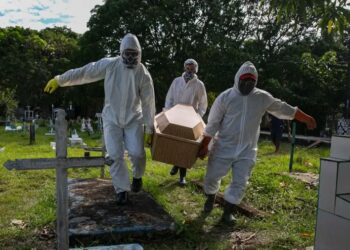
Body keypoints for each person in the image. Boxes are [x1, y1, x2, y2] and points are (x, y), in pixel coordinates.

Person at [198, 61, 316, 225]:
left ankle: (228, 212)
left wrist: (307, 118)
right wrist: (204, 145)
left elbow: (284, 109)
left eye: (251, 81)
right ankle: (210, 198)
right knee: (211, 177)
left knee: (240, 182)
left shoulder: (262, 97)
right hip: (223, 146)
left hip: (247, 150)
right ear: (237, 78)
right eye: (244, 80)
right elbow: (212, 124)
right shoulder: (225, 97)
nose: (247, 84)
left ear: (256, 81)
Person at [44, 33, 155, 205]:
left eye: (135, 54)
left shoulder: (143, 73)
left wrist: (149, 128)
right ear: (121, 52)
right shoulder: (110, 65)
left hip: (134, 119)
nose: (131, 58)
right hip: (111, 118)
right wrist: (60, 79)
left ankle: (137, 176)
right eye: (128, 54)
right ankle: (121, 190)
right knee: (115, 155)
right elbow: (85, 72)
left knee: (138, 154)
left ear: (140, 54)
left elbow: (148, 102)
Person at [165, 58, 208, 185]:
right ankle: (176, 164)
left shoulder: (199, 84)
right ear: (184, 68)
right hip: (175, 116)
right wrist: (168, 112)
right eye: (188, 67)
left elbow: (203, 104)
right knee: (175, 144)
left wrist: (197, 116)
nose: (190, 70)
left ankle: (182, 176)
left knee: (186, 147)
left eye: (192, 68)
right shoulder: (176, 81)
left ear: (196, 69)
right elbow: (169, 98)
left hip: (190, 119)